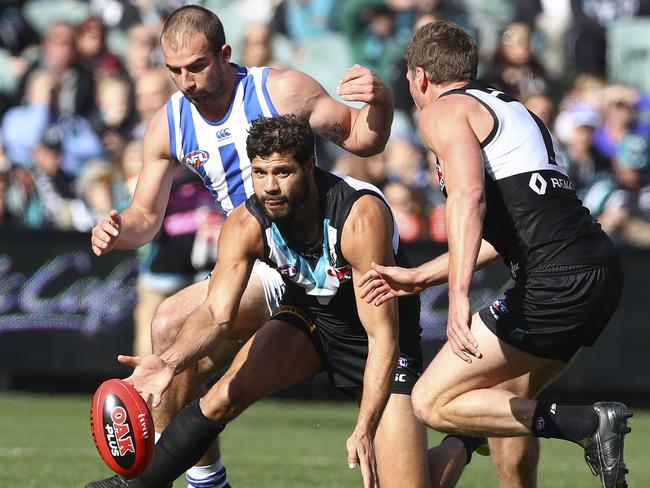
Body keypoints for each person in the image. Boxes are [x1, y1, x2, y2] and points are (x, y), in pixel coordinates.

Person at [89, 5, 393, 488]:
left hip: (328, 243)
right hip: (258, 253)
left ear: (225, 54)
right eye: (174, 71)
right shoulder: (168, 124)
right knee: (168, 323)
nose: (185, 81)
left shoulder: (280, 90)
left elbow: (364, 138)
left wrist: (381, 102)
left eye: (196, 66)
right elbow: (145, 217)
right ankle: (206, 480)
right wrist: (117, 227)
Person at [86, 114, 441, 488]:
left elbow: (382, 337)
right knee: (222, 397)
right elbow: (216, 313)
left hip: (378, 341)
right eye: (259, 173)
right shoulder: (246, 222)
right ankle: (138, 485)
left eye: (282, 172)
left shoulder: (357, 216)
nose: (269, 186)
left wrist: (364, 427)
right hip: (311, 321)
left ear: (309, 166)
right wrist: (168, 362)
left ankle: (460, 445)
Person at [358, 21, 631, 488]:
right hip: (598, 269)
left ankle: (589, 425)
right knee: (506, 400)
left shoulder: (444, 112)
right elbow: (515, 223)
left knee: (432, 401)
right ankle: (487, 448)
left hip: (555, 279)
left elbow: (468, 198)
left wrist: (458, 294)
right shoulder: (513, 108)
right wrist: (425, 274)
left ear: (420, 76)